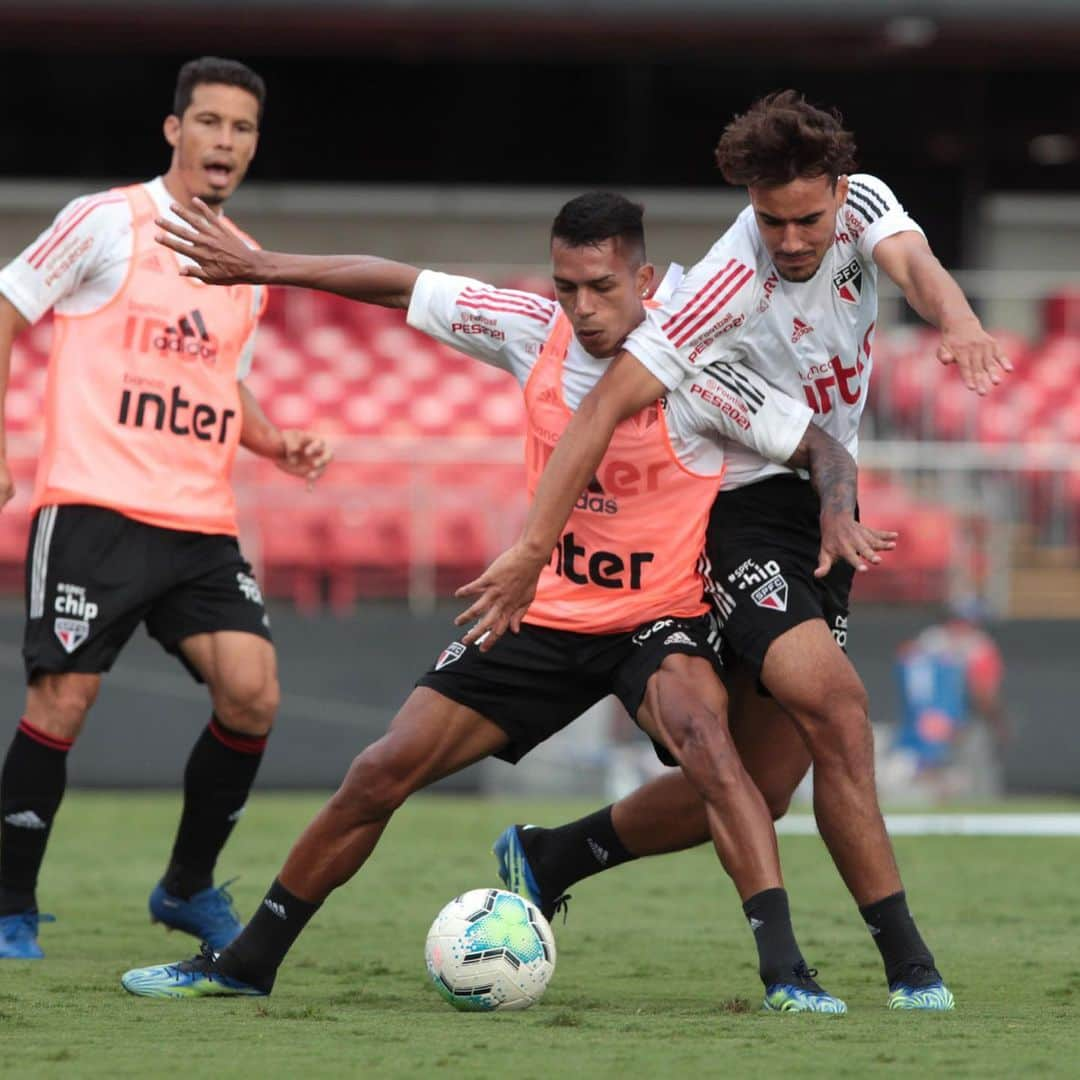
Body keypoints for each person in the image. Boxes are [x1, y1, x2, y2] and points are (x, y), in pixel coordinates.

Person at [119, 191, 891, 1011]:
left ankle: (786, 974)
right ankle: (246, 963)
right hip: (542, 611)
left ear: (646, 277)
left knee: (711, 747)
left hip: (658, 619)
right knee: (381, 770)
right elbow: (395, 282)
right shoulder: (530, 329)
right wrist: (264, 265)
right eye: (568, 288)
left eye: (601, 287)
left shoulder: (698, 360)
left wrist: (839, 507)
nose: (584, 309)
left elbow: (818, 446)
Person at [464, 91, 1011, 1010]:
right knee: (838, 708)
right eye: (770, 221)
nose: (791, 239)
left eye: (807, 218)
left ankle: (553, 853)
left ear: (840, 191)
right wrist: (530, 547)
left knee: (766, 786)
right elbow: (601, 408)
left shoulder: (866, 206)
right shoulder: (723, 280)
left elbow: (914, 267)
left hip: (820, 505)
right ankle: (910, 965)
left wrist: (955, 319)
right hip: (735, 513)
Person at [0, 57, 331, 960]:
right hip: (96, 508)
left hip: (198, 522)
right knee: (63, 699)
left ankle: (185, 889)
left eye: (243, 128)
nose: (226, 141)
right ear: (174, 130)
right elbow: (7, 306)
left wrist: (276, 441)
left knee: (253, 691)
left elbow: (222, 385)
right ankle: (9, 908)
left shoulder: (244, 266)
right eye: (211, 122)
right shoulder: (108, 221)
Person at [887, 599, 1008, 796]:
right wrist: (998, 721)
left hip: (934, 719)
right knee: (960, 773)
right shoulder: (974, 646)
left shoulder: (931, 640)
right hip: (951, 719)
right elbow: (984, 693)